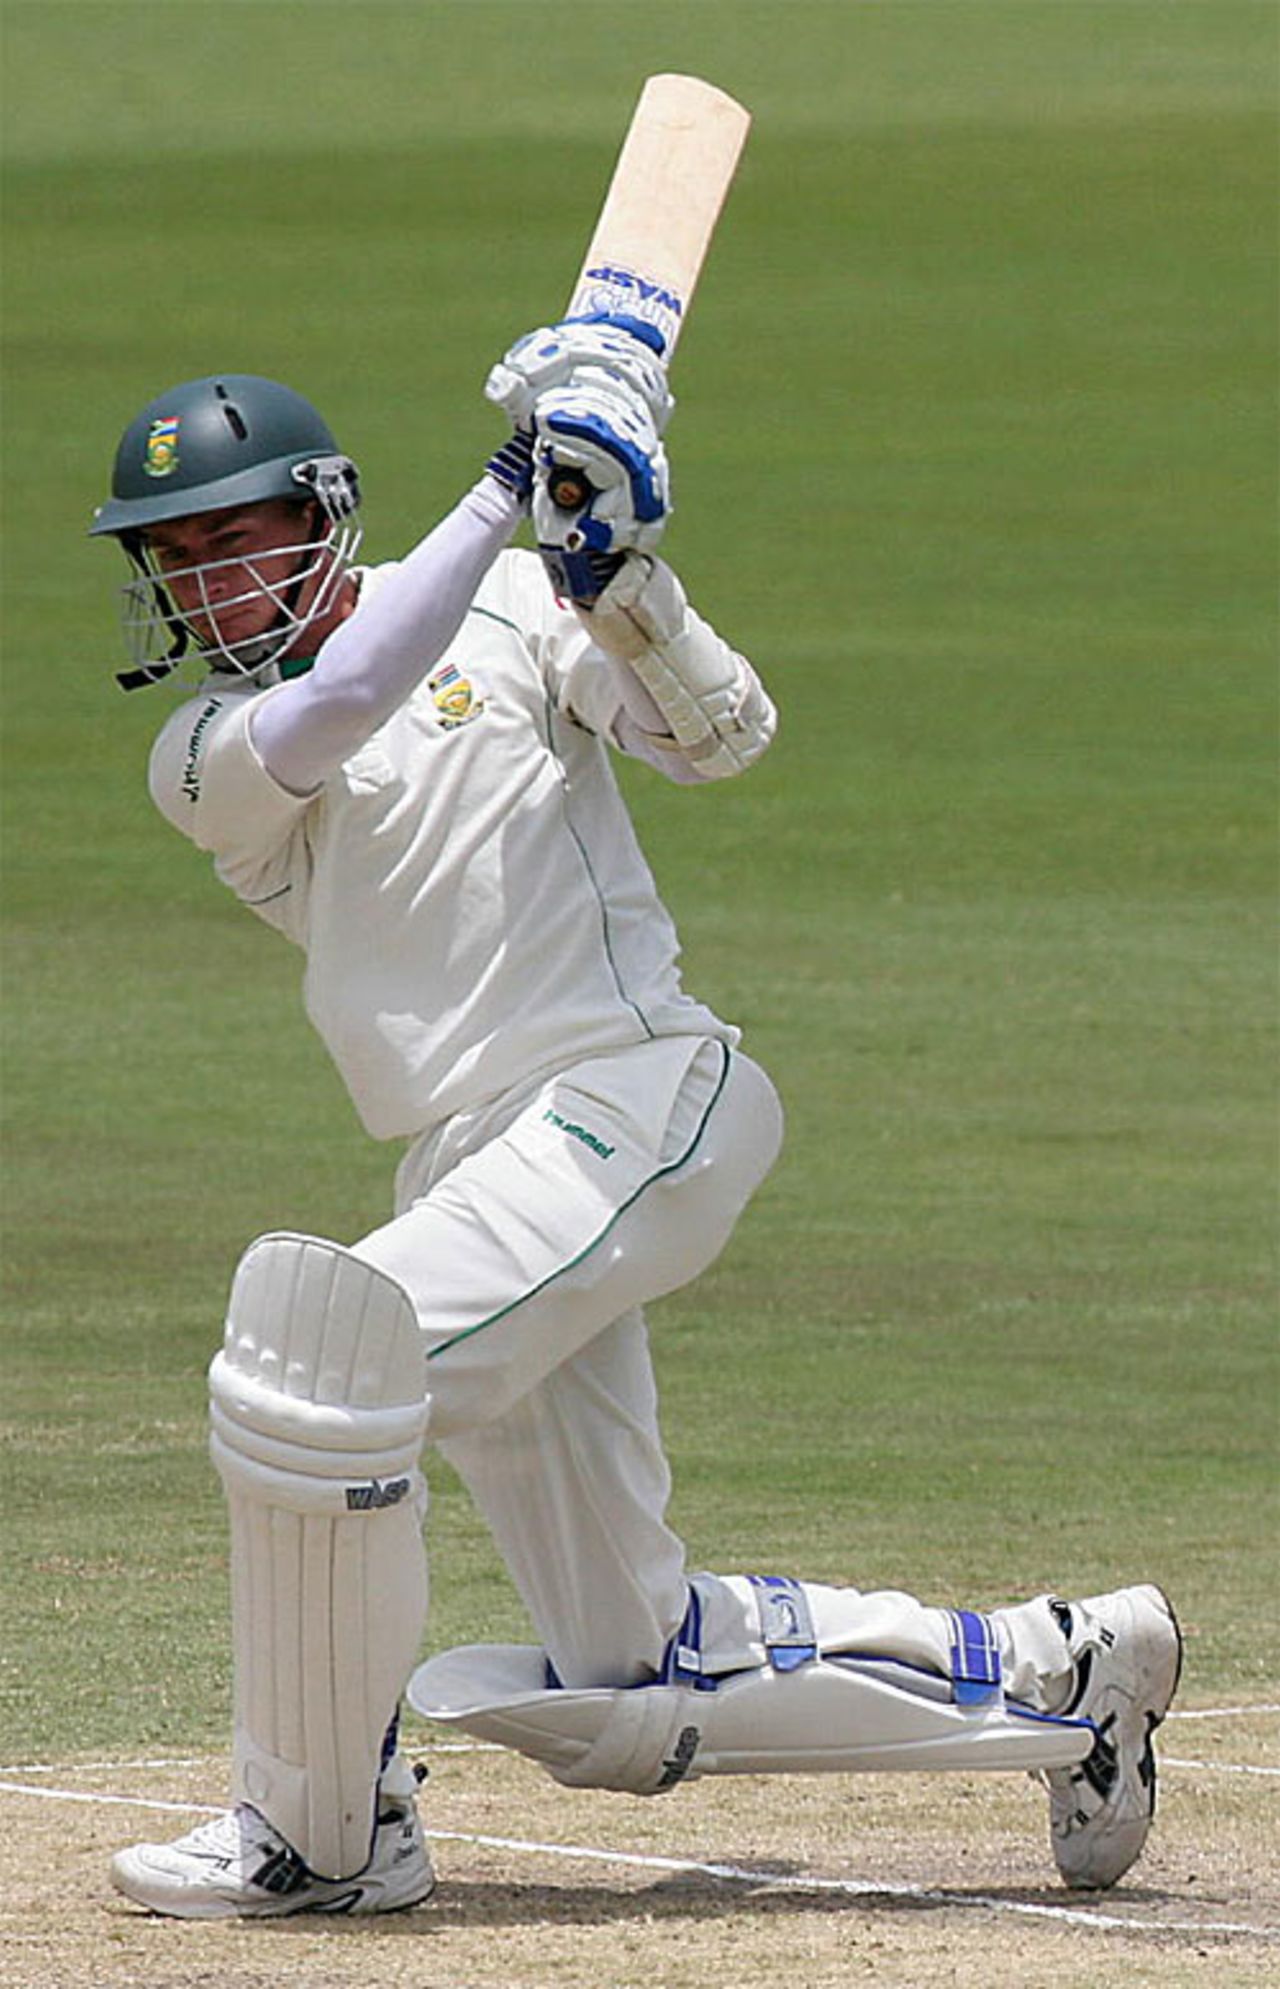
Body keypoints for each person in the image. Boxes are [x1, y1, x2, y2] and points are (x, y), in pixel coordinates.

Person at [91, 330, 1180, 1921]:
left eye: (234, 536)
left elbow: (722, 732)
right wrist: (511, 487)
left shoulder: (523, 605)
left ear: (319, 512)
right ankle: (1067, 1671)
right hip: (478, 1162)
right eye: (175, 559)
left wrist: (617, 573)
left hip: (635, 1094)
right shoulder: (201, 757)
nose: (207, 582)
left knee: (329, 1366)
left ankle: (321, 1827)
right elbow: (345, 699)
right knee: (627, 1671)